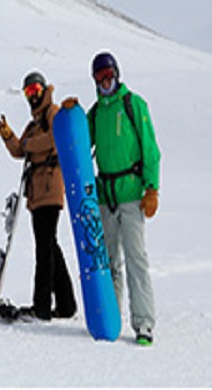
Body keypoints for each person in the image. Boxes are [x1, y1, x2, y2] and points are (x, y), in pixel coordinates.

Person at [85, 51, 161, 346]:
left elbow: (150, 149)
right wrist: (72, 115)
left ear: (116, 73)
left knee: (135, 260)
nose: (105, 81)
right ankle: (111, 319)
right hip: (105, 196)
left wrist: (151, 189)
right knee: (108, 263)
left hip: (131, 196)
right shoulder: (96, 112)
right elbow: (81, 140)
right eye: (99, 77)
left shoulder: (133, 105)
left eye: (108, 75)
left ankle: (143, 324)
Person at [0, 72, 77, 320]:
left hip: (50, 188)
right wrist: (9, 136)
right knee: (50, 245)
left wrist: (28, 145)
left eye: (35, 90)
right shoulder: (33, 123)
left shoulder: (53, 113)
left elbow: (54, 138)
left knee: (44, 247)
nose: (32, 96)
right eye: (28, 92)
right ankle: (66, 304)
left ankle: (41, 306)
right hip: (37, 192)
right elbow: (20, 150)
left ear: (44, 90)